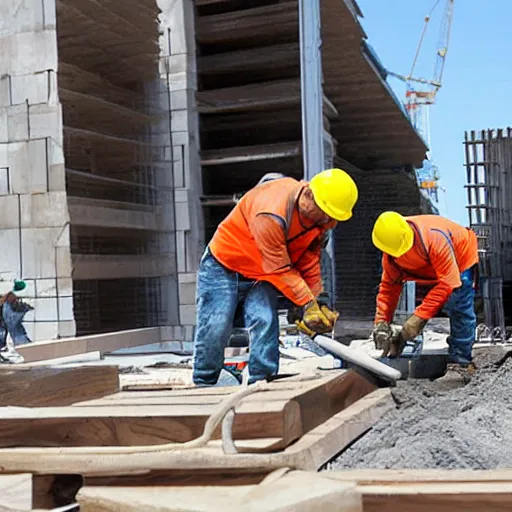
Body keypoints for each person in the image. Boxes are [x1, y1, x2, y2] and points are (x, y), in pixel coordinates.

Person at [192, 169, 359, 386]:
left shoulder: (319, 222)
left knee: (264, 319)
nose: (329, 221)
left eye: (333, 216)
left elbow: (308, 260)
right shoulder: (271, 213)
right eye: (326, 213)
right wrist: (307, 304)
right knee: (216, 324)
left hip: (262, 273)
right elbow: (278, 269)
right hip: (224, 265)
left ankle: (263, 381)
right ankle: (204, 382)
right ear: (309, 195)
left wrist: (319, 300)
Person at [370, 211, 479, 379]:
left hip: (459, 258)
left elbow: (448, 283)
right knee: (438, 301)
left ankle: (461, 363)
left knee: (458, 306)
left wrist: (419, 317)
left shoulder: (435, 238)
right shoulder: (391, 252)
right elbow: (389, 288)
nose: (398, 255)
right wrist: (382, 322)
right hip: (427, 269)